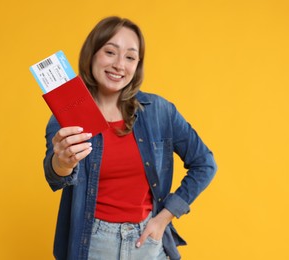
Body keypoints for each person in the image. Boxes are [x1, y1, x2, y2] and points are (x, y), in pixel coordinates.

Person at [43, 16, 217, 260]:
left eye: (130, 57)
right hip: (93, 243)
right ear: (91, 54)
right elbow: (54, 175)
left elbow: (205, 163)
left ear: (137, 65)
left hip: (147, 242)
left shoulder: (159, 111)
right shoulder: (66, 114)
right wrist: (62, 162)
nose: (119, 65)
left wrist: (164, 217)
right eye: (110, 52)